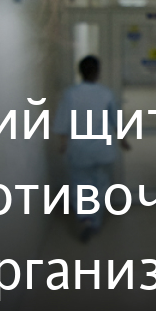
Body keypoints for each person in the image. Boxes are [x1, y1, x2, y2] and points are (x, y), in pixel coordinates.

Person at [52, 55, 130, 242]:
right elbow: (116, 121)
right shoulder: (106, 94)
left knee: (80, 184)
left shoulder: (70, 94)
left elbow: (62, 122)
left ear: (80, 72)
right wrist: (122, 140)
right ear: (97, 72)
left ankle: (85, 218)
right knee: (100, 185)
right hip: (103, 150)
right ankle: (95, 221)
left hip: (79, 150)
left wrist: (63, 143)